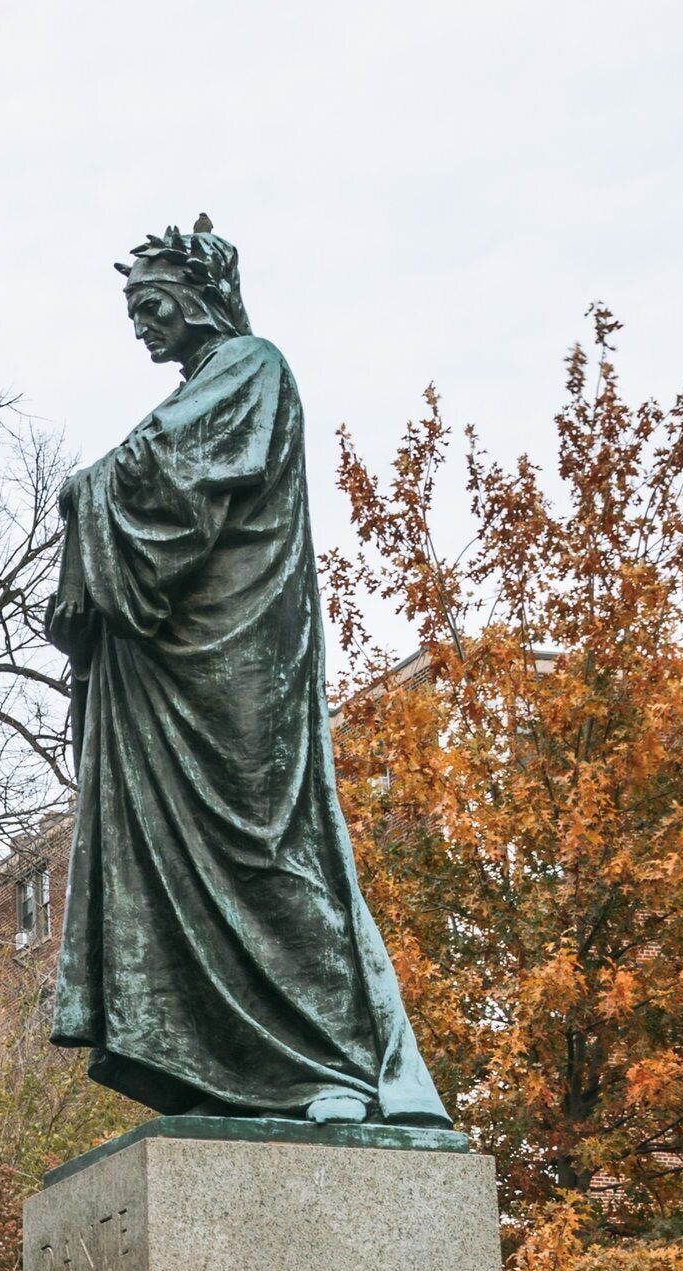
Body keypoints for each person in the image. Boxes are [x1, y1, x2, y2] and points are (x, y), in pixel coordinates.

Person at [47, 217, 448, 1128]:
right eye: (132, 311)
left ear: (200, 296)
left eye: (150, 305)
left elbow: (167, 478)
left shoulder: (252, 367)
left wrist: (87, 485)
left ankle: (340, 1063)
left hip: (232, 658)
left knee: (263, 843)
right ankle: (229, 1067)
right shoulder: (208, 384)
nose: (140, 325)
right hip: (166, 663)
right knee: (179, 852)